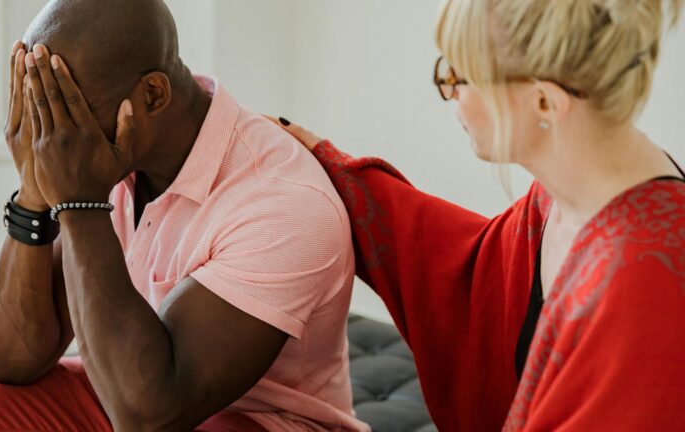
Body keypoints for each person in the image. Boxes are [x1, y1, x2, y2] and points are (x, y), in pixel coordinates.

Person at [0, 1, 368, 431]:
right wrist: (34, 193)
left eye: (70, 111)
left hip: (259, 420)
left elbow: (149, 419)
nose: (54, 138)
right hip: (125, 385)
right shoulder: (105, 152)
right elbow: (12, 358)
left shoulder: (283, 201)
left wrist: (78, 205)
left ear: (153, 94)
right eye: (43, 108)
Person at [270, 0, 685, 430]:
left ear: (544, 101)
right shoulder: (568, 190)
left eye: (459, 76)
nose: (450, 93)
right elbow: (478, 276)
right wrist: (339, 176)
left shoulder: (647, 286)